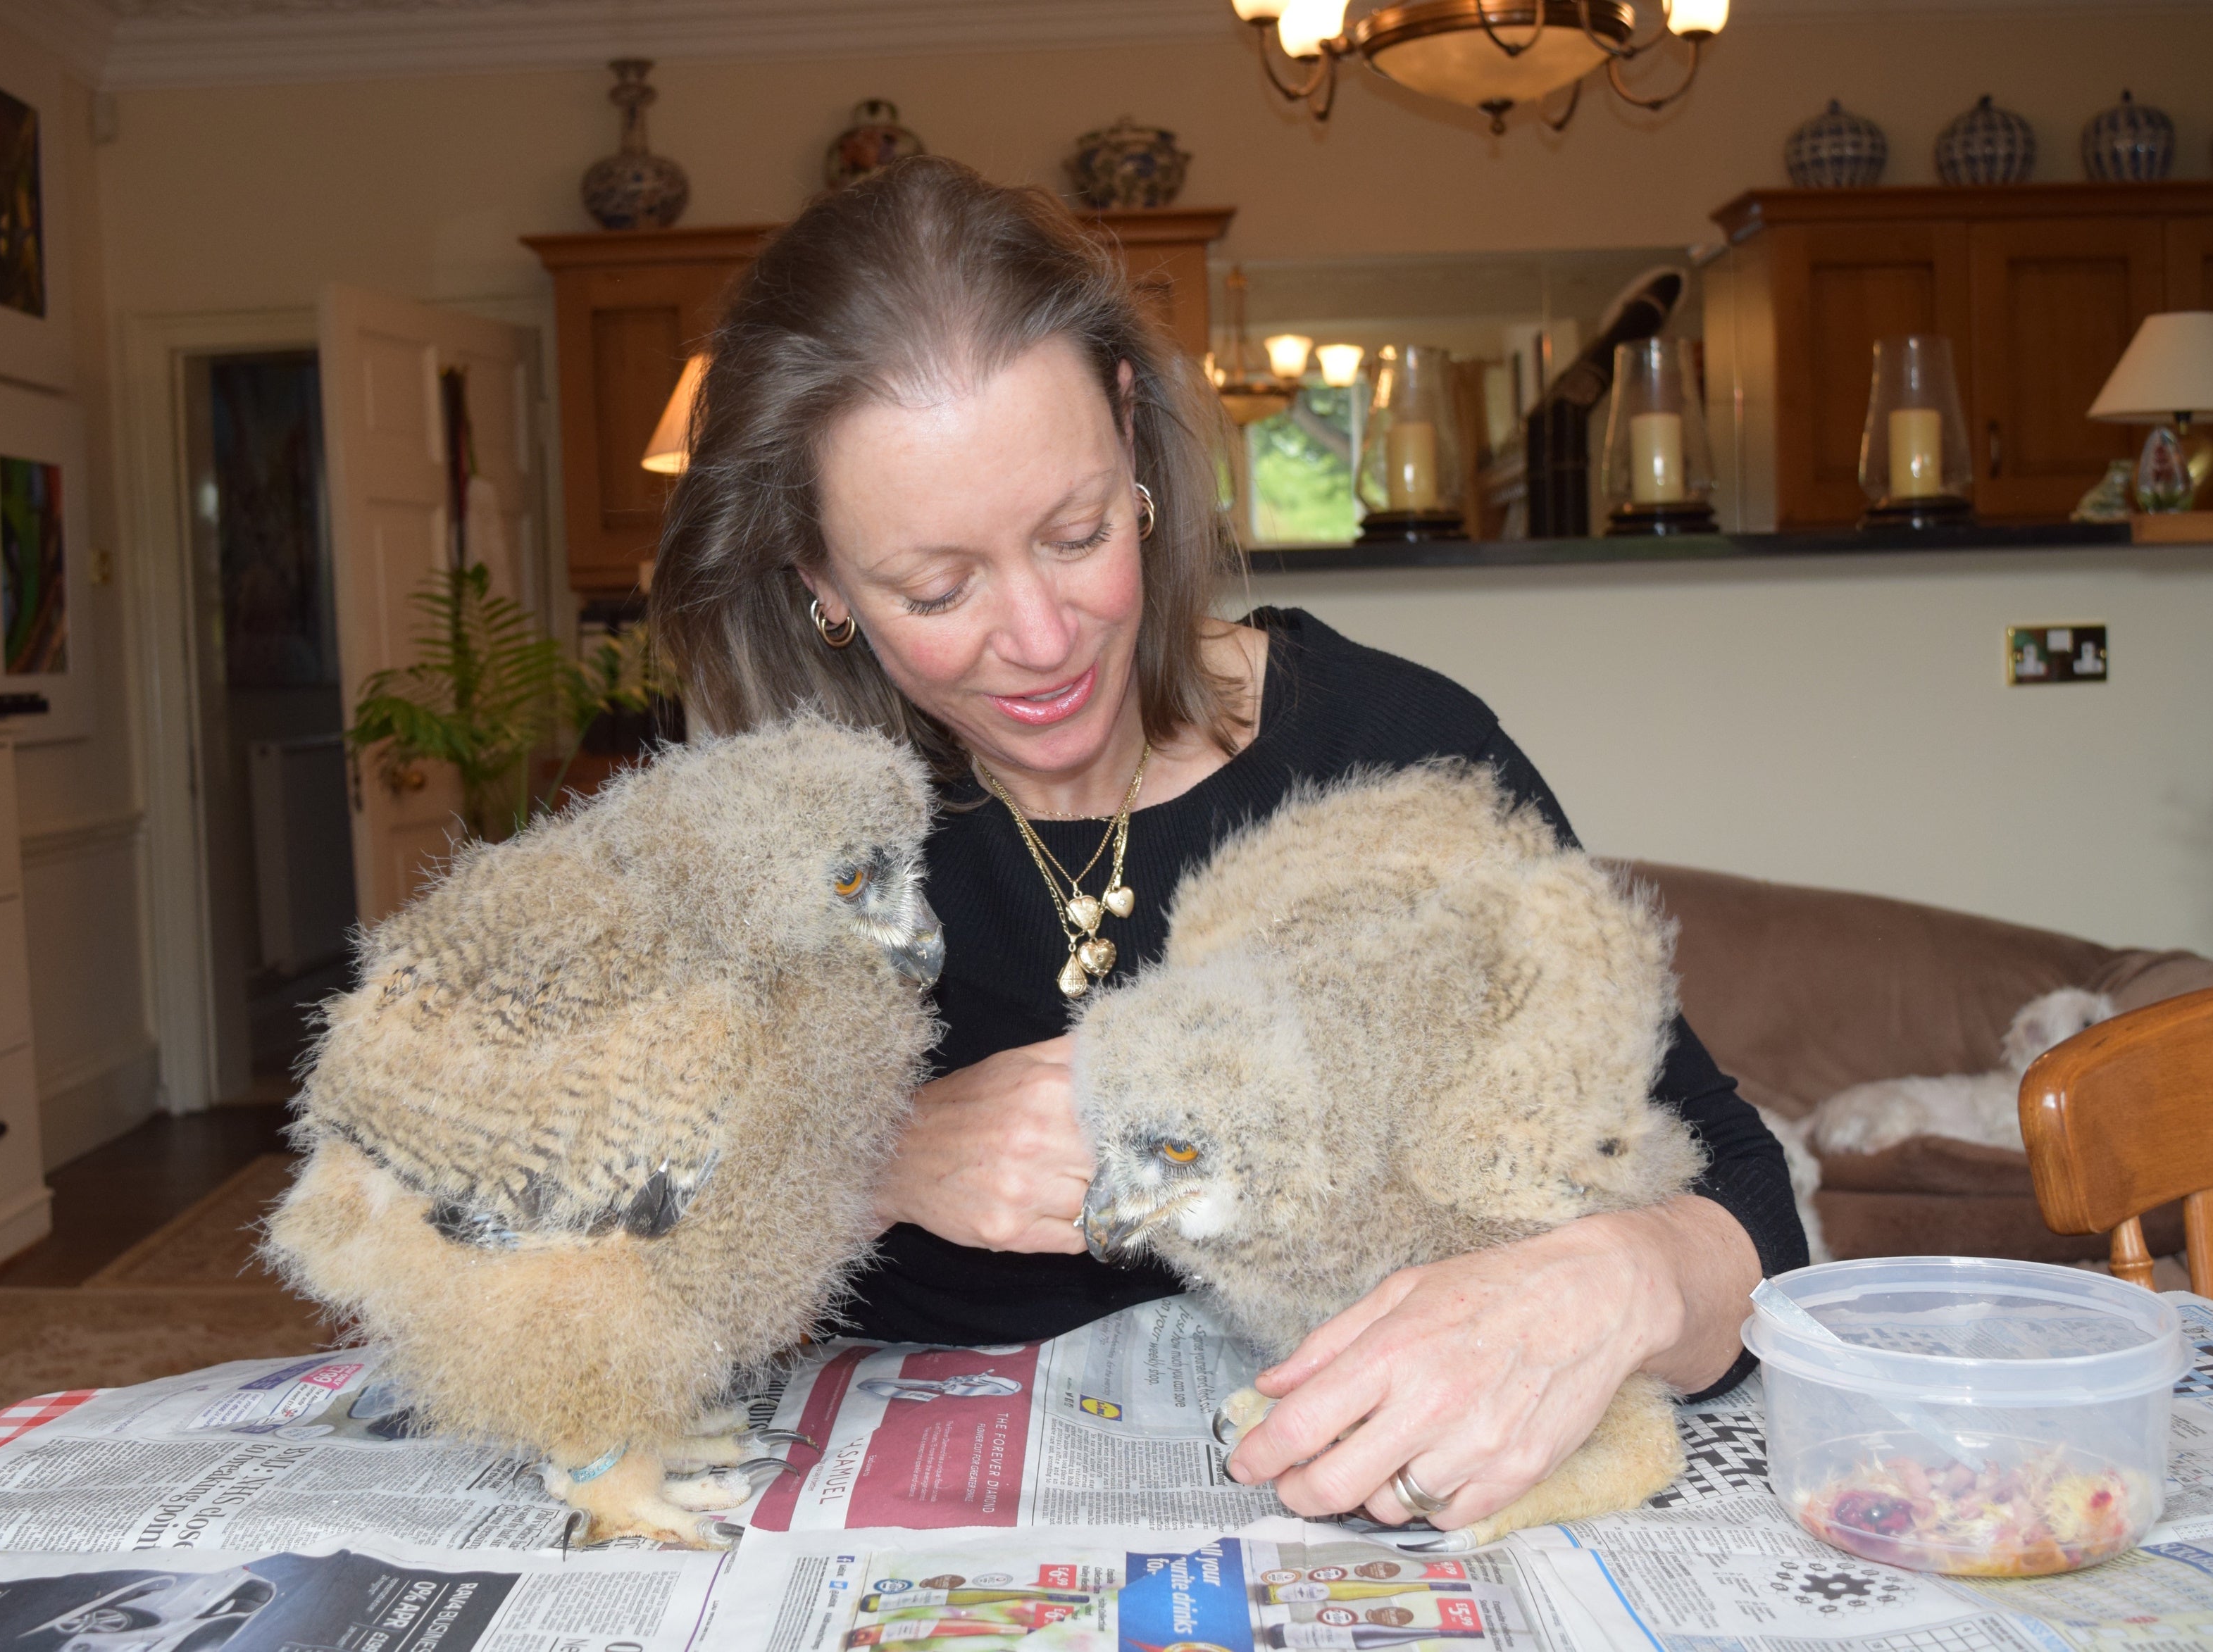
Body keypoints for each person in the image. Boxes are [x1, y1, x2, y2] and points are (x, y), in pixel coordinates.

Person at [649, 157, 1805, 1538]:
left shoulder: (1398, 752)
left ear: (1132, 442)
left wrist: (1609, 1281)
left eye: (1074, 534)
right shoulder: (769, 832)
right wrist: (873, 1154)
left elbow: (1742, 1211)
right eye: (937, 586)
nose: (1037, 639)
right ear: (818, 575)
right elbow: (549, 1223)